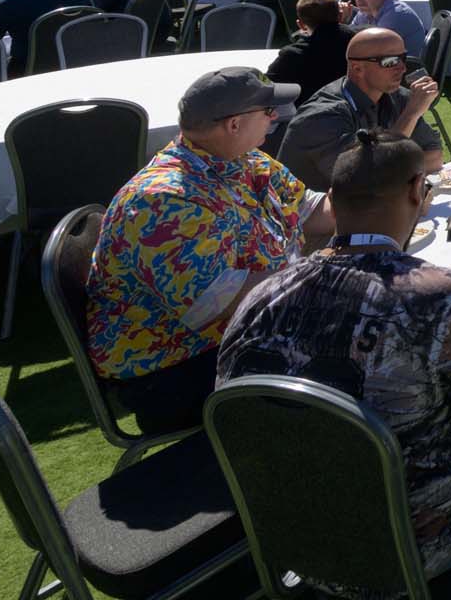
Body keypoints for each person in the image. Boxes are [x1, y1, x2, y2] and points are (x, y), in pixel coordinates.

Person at [219, 132, 451, 584]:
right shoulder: (443, 296)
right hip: (418, 546)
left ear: (333, 201)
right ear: (419, 191)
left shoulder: (260, 296)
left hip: (298, 544)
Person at [86, 66, 330, 430]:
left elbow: (312, 212)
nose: (274, 117)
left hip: (240, 328)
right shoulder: (163, 200)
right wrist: (321, 271)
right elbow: (220, 303)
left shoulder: (244, 159)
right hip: (172, 367)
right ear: (234, 124)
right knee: (342, 355)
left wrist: (384, 197)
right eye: (267, 112)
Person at [279, 28, 444, 189]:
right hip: (305, 212)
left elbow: (434, 155)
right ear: (357, 68)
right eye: (390, 61)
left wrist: (390, 169)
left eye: (403, 57)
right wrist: (410, 115)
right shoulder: (323, 117)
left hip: (360, 207)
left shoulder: (397, 96)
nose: (402, 68)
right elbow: (362, 179)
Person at [267, 0, 355, 105]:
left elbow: (267, 87)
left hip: (312, 117)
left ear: (301, 25)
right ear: (340, 15)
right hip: (360, 114)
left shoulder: (293, 55)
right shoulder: (360, 40)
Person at [342, 0, 428, 61]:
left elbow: (369, 49)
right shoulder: (365, 11)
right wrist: (343, 22)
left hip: (403, 69)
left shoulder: (396, 15)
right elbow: (349, 41)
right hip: (385, 64)